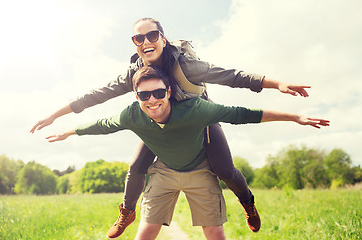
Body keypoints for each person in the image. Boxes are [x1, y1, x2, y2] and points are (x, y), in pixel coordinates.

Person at [31, 17, 312, 237]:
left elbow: (232, 76)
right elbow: (97, 95)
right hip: (159, 119)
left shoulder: (187, 66)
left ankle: (248, 203)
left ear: (162, 39)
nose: (145, 41)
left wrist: (277, 84)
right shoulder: (134, 74)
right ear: (135, 44)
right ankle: (127, 212)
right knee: (136, 166)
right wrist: (56, 116)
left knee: (224, 169)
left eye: (151, 35)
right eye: (138, 38)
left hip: (197, 116)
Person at [46, 66, 329, 240]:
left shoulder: (196, 108)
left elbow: (242, 113)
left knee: (216, 225)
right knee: (145, 230)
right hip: (164, 172)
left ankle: (248, 203)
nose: (152, 100)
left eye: (157, 93)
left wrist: (294, 117)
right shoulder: (132, 114)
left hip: (200, 170)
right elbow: (102, 124)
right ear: (136, 97)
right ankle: (126, 212)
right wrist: (69, 131)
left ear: (169, 91)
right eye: (144, 95)